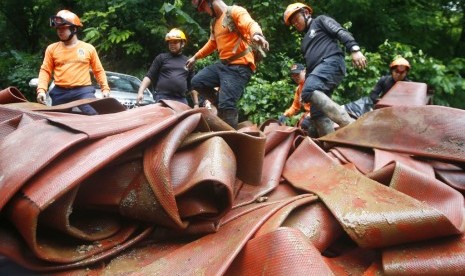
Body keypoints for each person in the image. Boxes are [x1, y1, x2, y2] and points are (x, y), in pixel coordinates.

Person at [283, 3, 367, 137]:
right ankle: (330, 143)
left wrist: (354, 49)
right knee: (316, 114)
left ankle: (350, 125)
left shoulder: (320, 21)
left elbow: (339, 31)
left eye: (296, 19)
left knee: (308, 90)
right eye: (292, 23)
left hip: (332, 62)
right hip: (319, 70)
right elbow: (310, 68)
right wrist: (306, 92)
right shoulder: (304, 42)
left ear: (306, 13)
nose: (295, 24)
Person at [186, 0, 269, 129]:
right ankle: (220, 103)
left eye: (203, 7)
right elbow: (212, 43)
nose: (204, 12)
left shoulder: (235, 11)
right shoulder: (214, 22)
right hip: (224, 65)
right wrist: (195, 57)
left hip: (240, 66)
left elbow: (250, 24)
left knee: (227, 105)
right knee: (197, 81)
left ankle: (230, 140)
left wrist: (257, 35)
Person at [36, 10, 110, 115]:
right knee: (57, 121)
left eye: (63, 28)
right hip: (60, 92)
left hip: (83, 91)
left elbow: (98, 71)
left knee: (94, 115)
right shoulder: (51, 49)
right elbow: (45, 71)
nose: (59, 31)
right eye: (58, 29)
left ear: (74, 28)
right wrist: (41, 90)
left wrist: (105, 89)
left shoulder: (88, 48)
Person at [137, 28, 195, 106]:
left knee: (186, 117)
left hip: (181, 99)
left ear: (183, 43)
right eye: (170, 42)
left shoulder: (188, 61)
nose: (172, 45)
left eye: (175, 42)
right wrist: (140, 92)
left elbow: (192, 86)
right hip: (162, 97)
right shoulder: (161, 58)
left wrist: (196, 104)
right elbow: (149, 76)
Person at [278, 63, 317, 136]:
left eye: (297, 74)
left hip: (319, 113)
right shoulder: (299, 89)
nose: (295, 77)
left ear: (304, 71)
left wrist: (310, 115)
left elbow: (320, 104)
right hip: (308, 115)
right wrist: (285, 115)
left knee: (307, 127)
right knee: (299, 130)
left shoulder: (313, 83)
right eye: (293, 75)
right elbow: (295, 106)